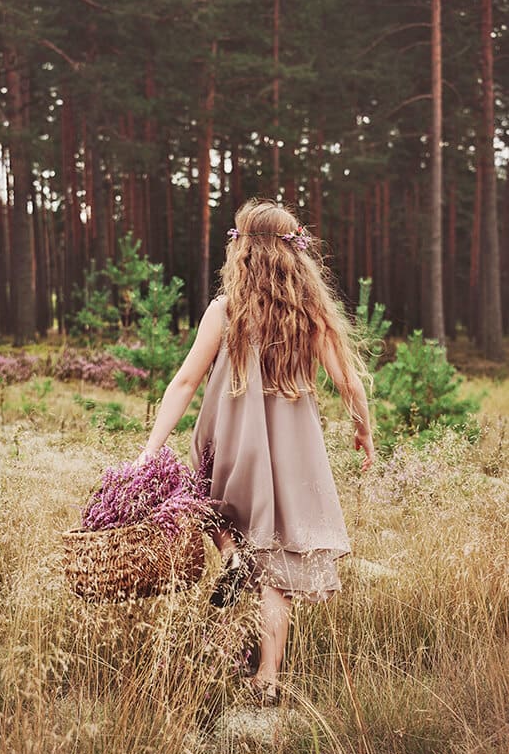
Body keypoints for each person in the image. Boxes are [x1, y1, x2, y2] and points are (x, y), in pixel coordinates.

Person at [137, 198, 374, 705]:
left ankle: (230, 554)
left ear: (241, 252)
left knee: (219, 513)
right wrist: (364, 432)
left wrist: (150, 449)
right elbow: (349, 383)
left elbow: (183, 381)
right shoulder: (310, 315)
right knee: (279, 569)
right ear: (295, 257)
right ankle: (267, 677)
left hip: (230, 444)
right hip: (291, 459)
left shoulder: (224, 311)